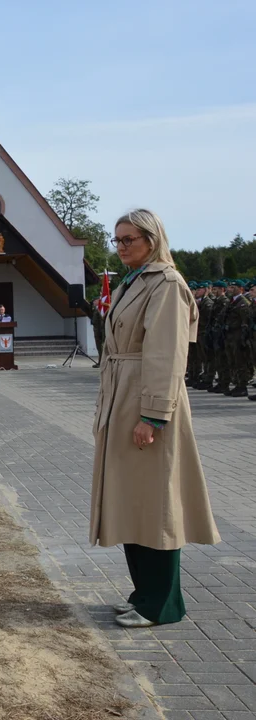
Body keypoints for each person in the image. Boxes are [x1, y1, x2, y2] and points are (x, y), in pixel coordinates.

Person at [90, 209, 220, 628]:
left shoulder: (165, 283)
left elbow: (166, 357)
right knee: (133, 502)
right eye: (118, 240)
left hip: (146, 402)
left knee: (157, 504)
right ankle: (143, 593)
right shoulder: (136, 281)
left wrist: (153, 416)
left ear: (152, 239)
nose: (122, 246)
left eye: (129, 239)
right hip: (124, 396)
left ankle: (162, 604)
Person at [223, 279, 252, 398]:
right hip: (230, 336)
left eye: (233, 288)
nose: (230, 289)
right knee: (232, 361)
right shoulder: (232, 301)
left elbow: (245, 321)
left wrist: (244, 338)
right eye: (230, 287)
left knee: (240, 362)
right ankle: (237, 383)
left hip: (238, 336)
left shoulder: (243, 302)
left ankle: (242, 386)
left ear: (240, 289)